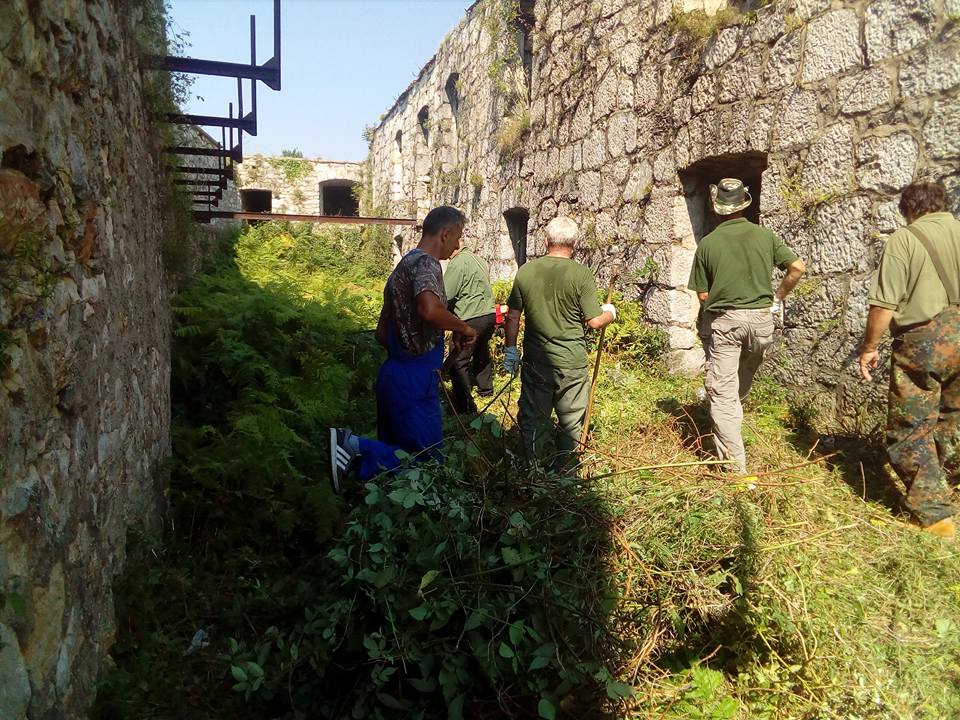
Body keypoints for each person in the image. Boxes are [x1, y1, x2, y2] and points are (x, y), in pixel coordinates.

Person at [328, 206, 477, 492]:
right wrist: (463, 328)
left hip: (392, 375)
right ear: (445, 234)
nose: (458, 246)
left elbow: (382, 333)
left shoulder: (401, 268)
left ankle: (356, 459)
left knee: (394, 460)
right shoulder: (427, 264)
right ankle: (352, 444)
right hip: (414, 380)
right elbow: (430, 310)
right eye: (457, 237)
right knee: (426, 462)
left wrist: (411, 344)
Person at [858, 180, 959, 539]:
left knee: (909, 428)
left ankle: (936, 517)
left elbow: (884, 304)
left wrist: (869, 347)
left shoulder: (905, 239)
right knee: (951, 416)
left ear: (910, 210)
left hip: (925, 341)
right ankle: (944, 482)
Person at [688, 177, 806, 473]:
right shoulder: (765, 236)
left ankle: (734, 470)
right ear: (744, 205)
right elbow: (797, 267)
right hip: (762, 322)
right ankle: (730, 418)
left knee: (724, 392)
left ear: (717, 209)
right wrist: (776, 298)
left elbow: (703, 294)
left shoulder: (708, 244)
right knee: (738, 382)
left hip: (727, 322)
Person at [503, 216, 616, 467]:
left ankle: (531, 468)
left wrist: (510, 349)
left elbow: (512, 315)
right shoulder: (581, 274)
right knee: (571, 418)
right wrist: (610, 312)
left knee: (533, 416)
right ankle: (566, 470)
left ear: (545, 241)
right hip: (571, 362)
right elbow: (595, 321)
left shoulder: (526, 271)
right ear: (574, 243)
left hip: (536, 360)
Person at [443, 239, 496, 414]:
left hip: (470, 316)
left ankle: (466, 406)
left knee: (459, 359)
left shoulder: (457, 263)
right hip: (488, 315)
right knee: (481, 350)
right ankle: (486, 390)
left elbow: (446, 295)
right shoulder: (478, 259)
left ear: (454, 244)